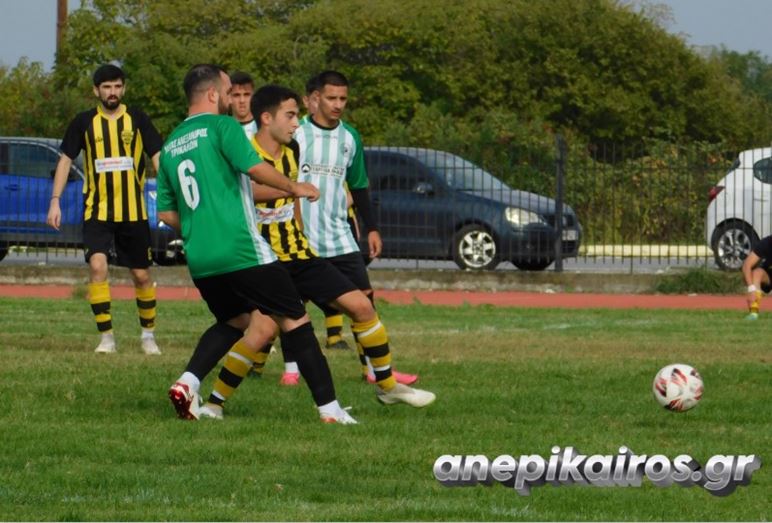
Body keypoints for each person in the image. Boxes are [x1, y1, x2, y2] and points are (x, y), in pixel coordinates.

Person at [197, 84, 435, 419]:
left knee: (362, 307)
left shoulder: (292, 151)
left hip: (300, 254)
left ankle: (387, 386)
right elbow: (241, 192)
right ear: (267, 118)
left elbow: (293, 203)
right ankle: (213, 404)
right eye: (290, 115)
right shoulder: (244, 152)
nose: (297, 123)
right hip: (266, 261)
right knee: (262, 331)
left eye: (297, 115)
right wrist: (290, 189)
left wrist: (300, 227)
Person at [157, 64, 355, 424]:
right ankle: (331, 410)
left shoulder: (170, 144)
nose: (234, 99)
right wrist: (293, 187)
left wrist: (204, 226)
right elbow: (254, 168)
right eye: (228, 91)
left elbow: (166, 213)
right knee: (295, 320)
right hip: (244, 250)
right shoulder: (222, 127)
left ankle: (188, 383)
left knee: (235, 320)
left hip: (201, 257)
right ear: (213, 94)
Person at [295, 70, 421, 386]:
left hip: (340, 237)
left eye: (343, 99)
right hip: (301, 238)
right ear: (315, 98)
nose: (338, 104)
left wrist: (372, 228)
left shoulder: (350, 137)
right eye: (332, 98)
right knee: (284, 311)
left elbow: (359, 185)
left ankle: (374, 371)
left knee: (365, 301)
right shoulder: (297, 134)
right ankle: (285, 369)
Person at [46, 64, 163, 355]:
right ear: (96, 90)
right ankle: (107, 338)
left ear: (124, 88)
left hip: (133, 212)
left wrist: (167, 194)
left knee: (141, 276)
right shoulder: (83, 122)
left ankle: (148, 336)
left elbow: (157, 155)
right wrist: (55, 200)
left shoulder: (137, 118)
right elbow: (65, 160)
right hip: (97, 211)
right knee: (97, 267)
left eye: (117, 86)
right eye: (107, 87)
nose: (113, 92)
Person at [741, 235, 772, 320]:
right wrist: (751, 290)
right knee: (756, 273)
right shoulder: (767, 243)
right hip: (769, 276)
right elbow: (747, 265)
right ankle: (754, 312)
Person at [230, 71, 257, 140]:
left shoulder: (263, 128)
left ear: (253, 97)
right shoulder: (222, 129)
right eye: (236, 95)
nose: (242, 100)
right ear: (229, 98)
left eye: (246, 95)